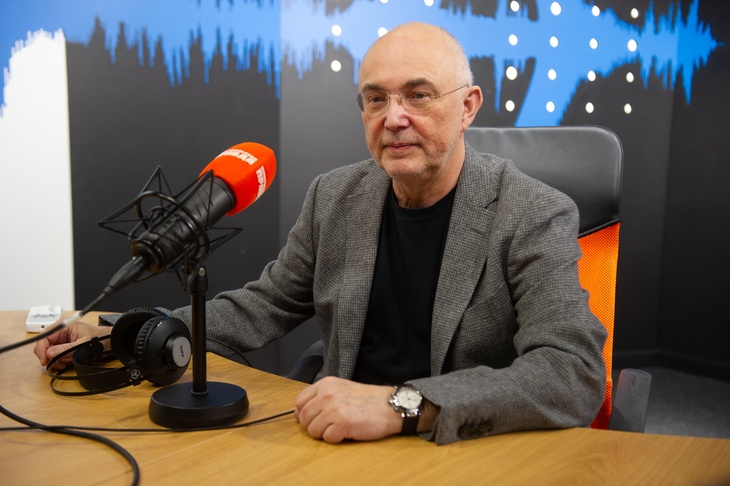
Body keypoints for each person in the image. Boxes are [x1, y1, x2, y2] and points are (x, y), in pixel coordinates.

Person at [34, 22, 607, 445]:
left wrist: (402, 405)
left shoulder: (533, 212)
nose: (394, 117)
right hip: (340, 443)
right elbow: (263, 305)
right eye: (376, 99)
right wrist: (124, 333)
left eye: (418, 94)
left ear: (468, 107)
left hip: (461, 447)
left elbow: (572, 373)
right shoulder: (335, 197)